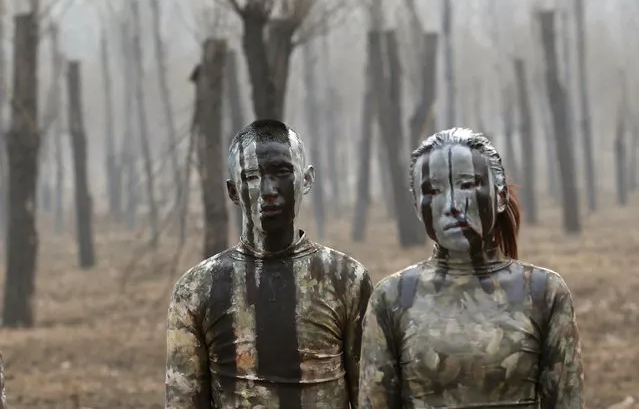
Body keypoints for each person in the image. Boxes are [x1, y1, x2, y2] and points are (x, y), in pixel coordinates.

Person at [358, 127, 584, 408]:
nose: (452, 205)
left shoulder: (543, 293)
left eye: (467, 184)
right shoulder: (392, 297)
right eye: (433, 190)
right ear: (417, 207)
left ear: (499, 196)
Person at [165, 119, 373, 409]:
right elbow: (183, 401)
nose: (268, 189)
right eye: (250, 176)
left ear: (307, 179)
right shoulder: (197, 289)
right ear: (233, 191)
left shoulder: (346, 279)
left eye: (282, 171)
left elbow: (369, 397)